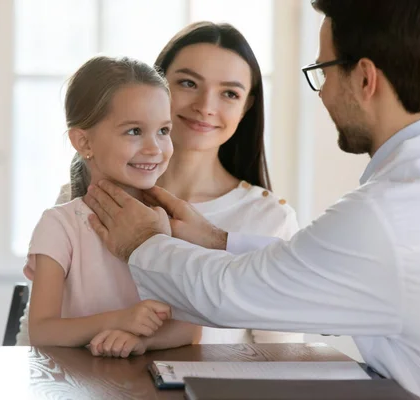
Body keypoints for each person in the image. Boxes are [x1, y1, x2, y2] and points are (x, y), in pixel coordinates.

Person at [82, 1, 420, 399]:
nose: (324, 91)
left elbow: (229, 294)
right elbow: (325, 272)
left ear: (365, 79)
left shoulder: (385, 214)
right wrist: (220, 239)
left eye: (324, 71)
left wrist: (142, 241)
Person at [19, 22, 303, 345]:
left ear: (246, 106)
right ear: (160, 84)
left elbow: (281, 360)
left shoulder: (271, 219)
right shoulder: (78, 201)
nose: (206, 106)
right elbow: (34, 336)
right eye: (187, 83)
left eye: (229, 93)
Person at [22, 55, 197, 357]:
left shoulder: (176, 221)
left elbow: (190, 328)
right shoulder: (59, 226)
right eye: (134, 131)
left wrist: (142, 341)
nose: (154, 148)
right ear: (83, 142)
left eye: (163, 131)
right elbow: (42, 330)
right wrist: (119, 320)